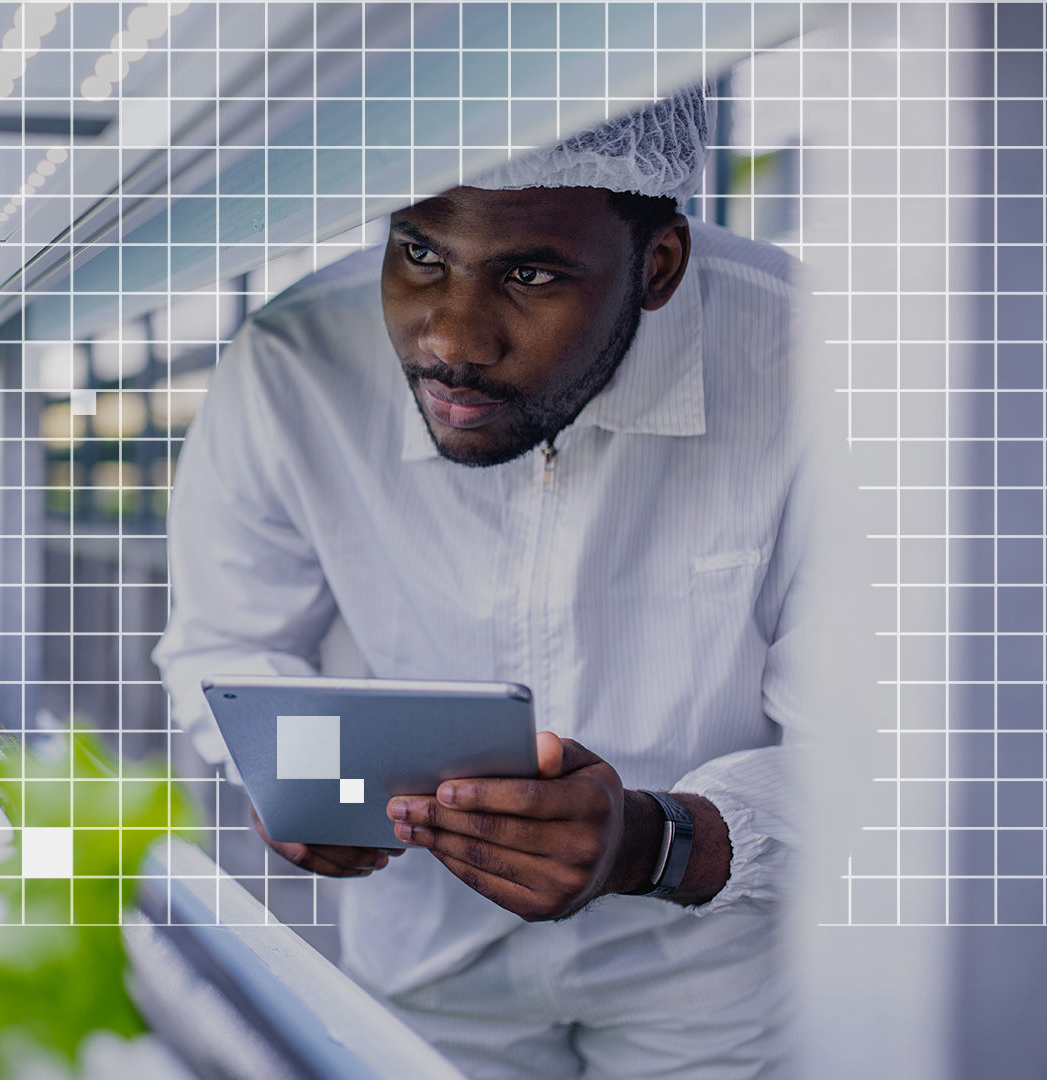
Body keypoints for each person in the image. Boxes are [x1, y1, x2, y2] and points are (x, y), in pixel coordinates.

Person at [153, 87, 809, 1078]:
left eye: (530, 274)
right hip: (424, 960)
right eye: (420, 253)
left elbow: (892, 745)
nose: (454, 337)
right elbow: (222, 640)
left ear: (660, 265)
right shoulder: (294, 364)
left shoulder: (817, 370)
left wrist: (655, 841)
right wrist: (298, 777)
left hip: (717, 973)